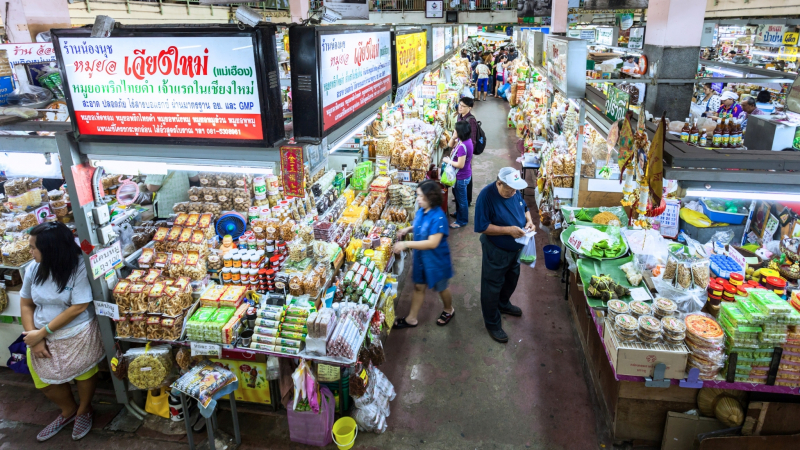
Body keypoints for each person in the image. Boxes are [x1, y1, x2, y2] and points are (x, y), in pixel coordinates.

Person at [21, 222, 105, 442]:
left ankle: (84, 409)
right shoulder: (33, 268)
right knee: (43, 380)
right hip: (39, 333)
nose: (30, 252)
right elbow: (26, 304)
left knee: (83, 372)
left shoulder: (79, 267)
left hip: (75, 331)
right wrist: (34, 337)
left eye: (33, 247)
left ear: (51, 249)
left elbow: (79, 306)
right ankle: (68, 411)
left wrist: (43, 332)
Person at [474, 168, 535, 343]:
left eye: (516, 189)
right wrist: (508, 231)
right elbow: (482, 226)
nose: (514, 193)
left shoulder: (514, 191)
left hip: (516, 250)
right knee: (492, 286)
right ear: (499, 183)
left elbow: (524, 207)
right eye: (510, 189)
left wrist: (529, 221)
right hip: (496, 250)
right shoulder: (486, 197)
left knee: (511, 279)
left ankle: (503, 303)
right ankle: (492, 323)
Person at [392, 180, 455, 328]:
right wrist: (408, 229)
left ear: (431, 197)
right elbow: (420, 225)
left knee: (442, 287)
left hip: (436, 261)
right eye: (418, 195)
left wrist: (406, 244)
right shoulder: (422, 210)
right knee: (419, 287)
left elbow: (432, 243)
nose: (418, 199)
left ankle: (449, 309)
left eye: (421, 196)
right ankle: (411, 318)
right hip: (422, 259)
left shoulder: (439, 217)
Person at [443, 121, 473, 228]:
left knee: (461, 200)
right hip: (463, 175)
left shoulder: (462, 146)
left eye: (455, 130)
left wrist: (448, 161)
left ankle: (462, 220)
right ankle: (459, 214)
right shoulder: (465, 140)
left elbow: (460, 165)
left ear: (461, 132)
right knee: (458, 196)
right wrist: (454, 136)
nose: (453, 131)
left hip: (461, 177)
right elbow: (450, 145)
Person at [450, 97, 478, 207]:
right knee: (458, 174)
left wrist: (467, 155)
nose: (460, 107)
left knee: (466, 174)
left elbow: (473, 140)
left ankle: (467, 199)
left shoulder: (471, 120)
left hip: (465, 151)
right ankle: (458, 195)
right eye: (459, 105)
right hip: (459, 148)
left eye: (463, 106)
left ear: (469, 108)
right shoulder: (459, 116)